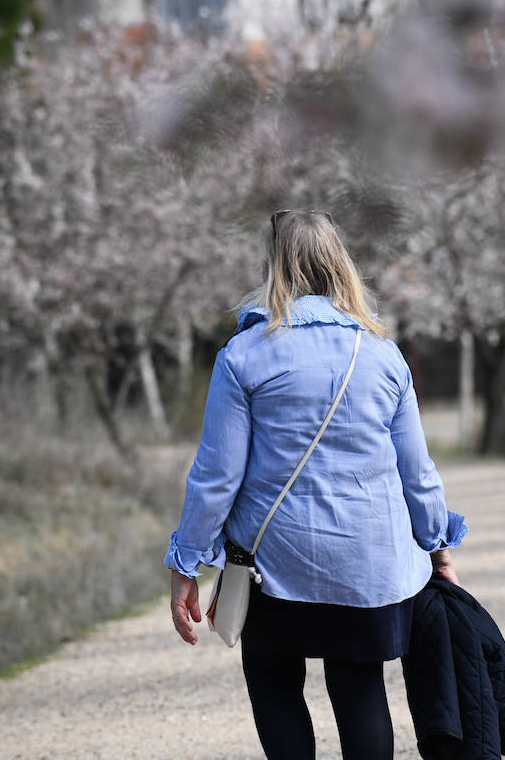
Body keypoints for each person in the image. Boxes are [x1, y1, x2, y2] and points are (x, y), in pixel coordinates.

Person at [165, 209, 466, 760]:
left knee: (276, 689)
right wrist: (437, 545)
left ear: (273, 266)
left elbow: (217, 476)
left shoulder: (244, 356)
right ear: (340, 266)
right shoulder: (383, 355)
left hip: (273, 567)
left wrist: (187, 563)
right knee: (360, 692)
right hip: (366, 566)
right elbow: (417, 472)